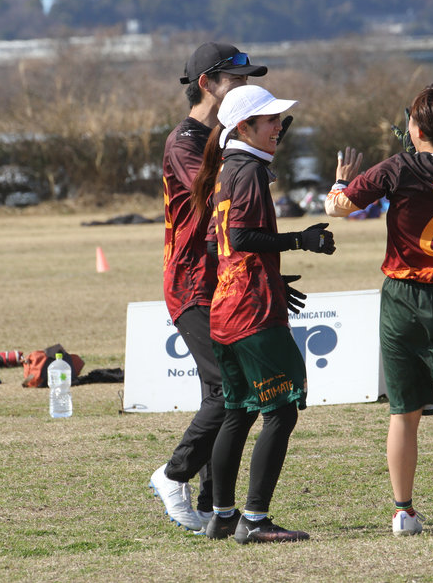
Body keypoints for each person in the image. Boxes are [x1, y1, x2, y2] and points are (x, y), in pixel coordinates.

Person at [326, 84, 433, 538]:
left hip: (404, 297)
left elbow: (337, 208)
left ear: (415, 128)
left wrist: (340, 182)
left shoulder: (398, 167)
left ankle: (404, 511)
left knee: (404, 411)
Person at [190, 84, 335, 544]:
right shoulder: (248, 170)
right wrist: (301, 240)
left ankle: (222, 516)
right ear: (244, 126)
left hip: (225, 309)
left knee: (237, 412)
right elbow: (242, 236)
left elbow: (215, 246)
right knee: (281, 411)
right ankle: (254, 520)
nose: (278, 126)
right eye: (270, 119)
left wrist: (270, 276)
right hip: (252, 312)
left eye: (278, 119)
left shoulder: (225, 169)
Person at [149, 42, 269, 532]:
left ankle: (213, 507)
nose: (245, 87)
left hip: (224, 279)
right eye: (236, 80)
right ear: (207, 84)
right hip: (192, 283)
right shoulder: (186, 141)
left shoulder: (225, 139)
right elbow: (223, 195)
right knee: (228, 390)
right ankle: (172, 474)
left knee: (226, 394)